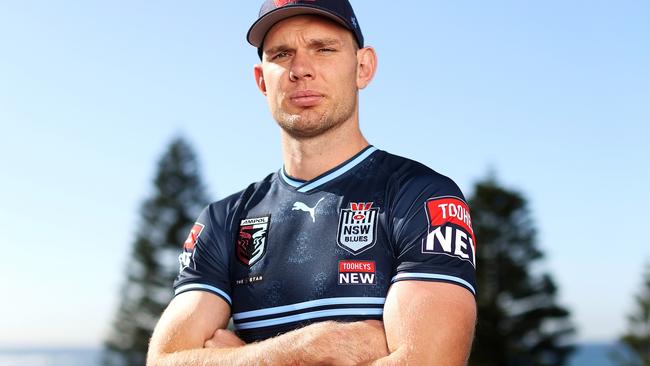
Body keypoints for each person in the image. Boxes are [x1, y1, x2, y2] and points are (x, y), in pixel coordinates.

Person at [147, 0, 477, 365]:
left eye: (324, 49)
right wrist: (314, 348)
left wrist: (244, 360)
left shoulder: (420, 198)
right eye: (282, 54)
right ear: (261, 79)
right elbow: (163, 361)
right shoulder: (224, 220)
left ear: (363, 67)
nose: (301, 69)